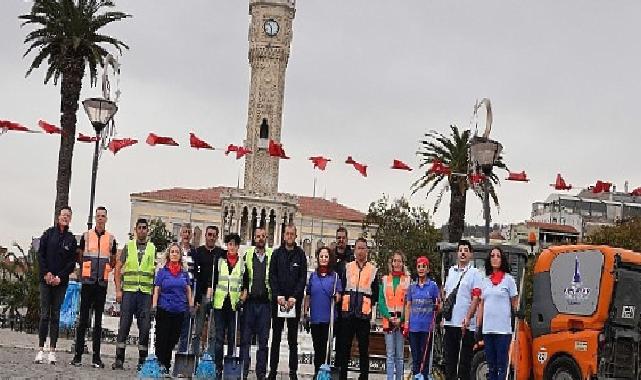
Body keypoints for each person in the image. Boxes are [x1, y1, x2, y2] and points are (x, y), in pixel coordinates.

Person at [71, 206, 117, 368]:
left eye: (103, 216)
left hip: (101, 284)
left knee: (98, 322)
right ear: (95, 218)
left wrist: (106, 270)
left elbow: (113, 260)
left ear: (106, 218)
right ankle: (77, 356)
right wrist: (85, 271)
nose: (100, 218)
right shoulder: (86, 236)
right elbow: (79, 255)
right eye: (98, 216)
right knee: (83, 320)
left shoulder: (111, 239)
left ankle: (96, 357)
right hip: (88, 283)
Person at [35, 206, 78, 364]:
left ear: (70, 219)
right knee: (45, 315)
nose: (65, 217)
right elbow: (41, 254)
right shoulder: (48, 234)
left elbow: (71, 262)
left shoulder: (71, 239)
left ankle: (52, 350)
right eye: (63, 215)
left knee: (55, 316)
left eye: (68, 215)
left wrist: (60, 277)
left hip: (60, 283)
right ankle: (40, 350)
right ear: (58, 216)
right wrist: (46, 273)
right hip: (46, 281)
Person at [112, 218, 157, 370]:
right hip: (129, 293)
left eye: (145, 228)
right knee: (124, 325)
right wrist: (118, 289)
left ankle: (142, 362)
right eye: (140, 228)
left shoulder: (152, 248)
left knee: (144, 328)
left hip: (145, 294)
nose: (142, 230)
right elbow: (118, 268)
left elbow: (155, 272)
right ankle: (119, 359)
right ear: (135, 230)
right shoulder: (128, 246)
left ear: (147, 230)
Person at [268, 224, 307, 380]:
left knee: (292, 339)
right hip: (278, 301)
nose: (290, 236)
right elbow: (272, 276)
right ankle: (272, 371)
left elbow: (302, 278)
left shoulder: (301, 255)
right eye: (287, 234)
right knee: (276, 338)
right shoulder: (277, 254)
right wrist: (278, 295)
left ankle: (293, 372)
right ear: (284, 236)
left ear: (295, 236)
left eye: (292, 234)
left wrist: (294, 297)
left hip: (293, 303)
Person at [152, 243, 195, 373]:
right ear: (168, 255)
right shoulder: (162, 272)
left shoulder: (184, 273)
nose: (175, 254)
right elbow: (157, 289)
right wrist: (154, 306)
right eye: (172, 252)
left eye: (177, 252)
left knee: (173, 339)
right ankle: (161, 364)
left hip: (179, 310)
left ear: (180, 255)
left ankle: (166, 363)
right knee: (162, 339)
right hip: (164, 309)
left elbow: (188, 290)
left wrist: (191, 305)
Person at [443, 240, 483, 380]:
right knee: (449, 362)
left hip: (465, 325)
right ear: (457, 253)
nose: (463, 253)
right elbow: (446, 294)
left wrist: (468, 317)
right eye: (460, 250)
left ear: (471, 254)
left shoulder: (475, 273)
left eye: (466, 250)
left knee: (464, 364)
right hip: (449, 324)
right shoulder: (451, 271)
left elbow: (476, 298)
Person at [476, 247, 518, 380]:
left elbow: (514, 303)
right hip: (488, 330)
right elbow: (481, 305)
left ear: (502, 259)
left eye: (498, 256)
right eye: (492, 255)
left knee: (502, 366)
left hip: (503, 331)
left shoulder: (509, 280)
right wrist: (478, 326)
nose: (495, 258)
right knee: (491, 366)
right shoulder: (485, 281)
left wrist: (518, 317)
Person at [340, 237, 379, 380]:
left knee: (364, 348)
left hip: (363, 315)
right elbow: (342, 287)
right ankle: (342, 376)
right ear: (354, 250)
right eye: (358, 248)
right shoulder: (347, 267)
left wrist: (368, 304)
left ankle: (364, 377)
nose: (361, 251)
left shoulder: (373, 270)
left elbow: (375, 292)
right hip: (348, 313)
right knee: (345, 347)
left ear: (367, 250)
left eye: (363, 248)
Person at [303, 247, 342, 377]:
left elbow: (339, 294)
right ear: (318, 259)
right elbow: (308, 295)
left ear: (329, 259)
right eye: (321, 256)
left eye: (326, 256)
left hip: (328, 319)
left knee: (326, 349)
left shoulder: (334, 276)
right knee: (317, 348)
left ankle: (325, 374)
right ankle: (318, 374)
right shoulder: (313, 276)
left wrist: (336, 296)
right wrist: (305, 313)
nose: (323, 259)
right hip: (315, 318)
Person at [240, 227, 273, 380]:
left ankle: (261, 373)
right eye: (258, 236)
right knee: (245, 339)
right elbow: (243, 277)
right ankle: (243, 371)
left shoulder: (272, 256)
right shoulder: (247, 256)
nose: (260, 239)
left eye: (263, 236)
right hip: (250, 303)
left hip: (265, 304)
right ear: (254, 238)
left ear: (266, 238)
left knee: (263, 341)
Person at [211, 233, 244, 378]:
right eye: (229, 244)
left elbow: (245, 286)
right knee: (219, 337)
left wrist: (242, 299)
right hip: (220, 304)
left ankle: (230, 366)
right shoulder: (220, 261)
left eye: (234, 245)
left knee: (231, 337)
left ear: (238, 247)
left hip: (233, 305)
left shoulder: (242, 264)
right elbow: (213, 280)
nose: (232, 247)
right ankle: (218, 367)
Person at [404, 256, 440, 379]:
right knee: (415, 355)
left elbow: (438, 304)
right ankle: (416, 375)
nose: (421, 269)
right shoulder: (412, 287)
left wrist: (437, 306)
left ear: (428, 269)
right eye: (419, 267)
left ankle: (424, 375)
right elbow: (408, 306)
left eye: (424, 266)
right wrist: (407, 324)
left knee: (425, 355)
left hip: (427, 327)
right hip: (414, 327)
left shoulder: (433, 286)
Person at [191, 225, 224, 355]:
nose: (211, 237)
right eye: (209, 235)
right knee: (197, 329)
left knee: (213, 331)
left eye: (214, 235)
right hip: (201, 296)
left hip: (216, 297)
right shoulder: (198, 252)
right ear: (205, 235)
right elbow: (195, 275)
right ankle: (194, 355)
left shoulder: (221, 253)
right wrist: (196, 298)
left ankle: (209, 358)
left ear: (217, 237)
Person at [378, 251, 410, 380]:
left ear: (403, 263)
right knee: (390, 355)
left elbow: (408, 302)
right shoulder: (385, 279)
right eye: (395, 261)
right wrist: (389, 317)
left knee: (400, 356)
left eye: (399, 261)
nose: (397, 263)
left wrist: (401, 319)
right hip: (388, 322)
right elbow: (381, 301)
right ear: (391, 263)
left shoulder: (407, 281)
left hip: (401, 323)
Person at [333, 226, 354, 377]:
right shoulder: (331, 256)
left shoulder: (351, 258)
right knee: (329, 340)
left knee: (344, 343)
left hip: (346, 306)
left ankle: (342, 374)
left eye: (343, 238)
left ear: (347, 240)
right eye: (338, 238)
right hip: (332, 304)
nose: (341, 240)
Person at [177, 223, 196, 353]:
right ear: (180, 233)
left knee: (186, 324)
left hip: (188, 290)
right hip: (176, 290)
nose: (186, 235)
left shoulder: (194, 252)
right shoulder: (175, 250)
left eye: (188, 232)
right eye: (184, 232)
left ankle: (183, 352)